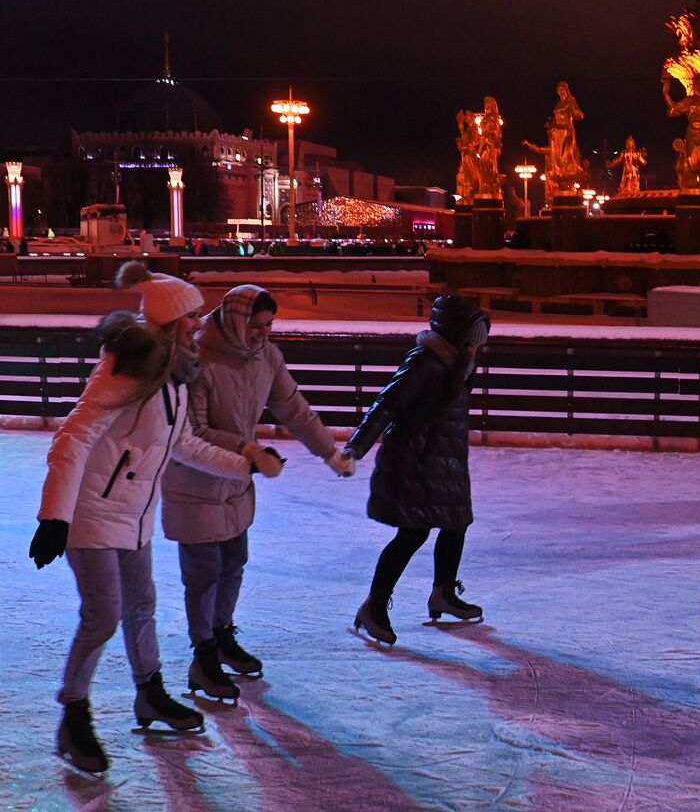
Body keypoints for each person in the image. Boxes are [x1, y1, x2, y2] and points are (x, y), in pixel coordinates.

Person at [31, 263, 283, 774]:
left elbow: (184, 443)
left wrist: (246, 462)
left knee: (142, 605)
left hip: (135, 515)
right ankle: (73, 715)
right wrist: (54, 517)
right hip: (92, 513)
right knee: (104, 615)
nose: (199, 322)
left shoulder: (174, 375)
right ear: (171, 321)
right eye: (191, 315)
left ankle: (149, 693)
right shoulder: (128, 369)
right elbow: (74, 437)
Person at [160, 285, 356, 700]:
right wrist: (247, 449)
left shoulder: (265, 357)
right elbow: (192, 432)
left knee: (233, 562)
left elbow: (294, 407)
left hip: (236, 481)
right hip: (194, 482)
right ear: (234, 321)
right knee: (203, 574)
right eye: (256, 326)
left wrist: (328, 453)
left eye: (269, 326)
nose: (263, 334)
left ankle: (221, 634)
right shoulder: (198, 359)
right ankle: (203, 655)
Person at [347, 295, 491, 645]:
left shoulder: (458, 364)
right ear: (458, 335)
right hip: (415, 460)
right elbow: (387, 403)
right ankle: (374, 605)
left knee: (456, 523)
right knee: (413, 533)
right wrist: (356, 447)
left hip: (445, 461)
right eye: (474, 339)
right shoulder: (426, 361)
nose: (478, 347)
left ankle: (443, 592)